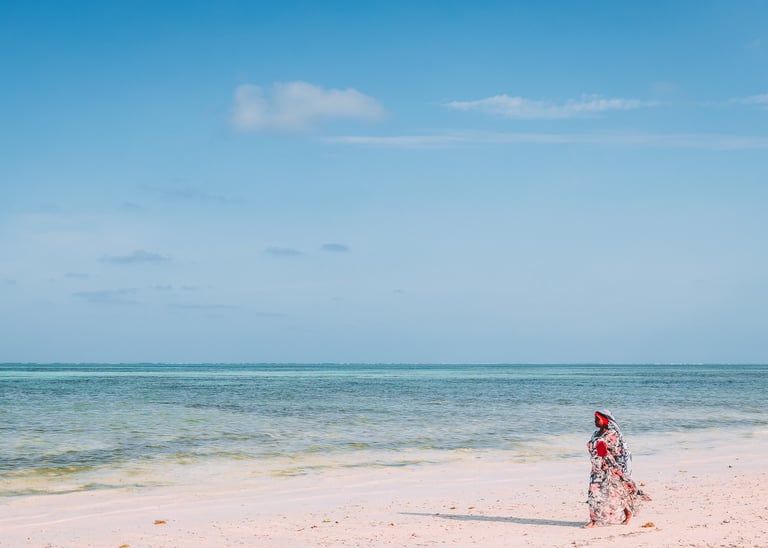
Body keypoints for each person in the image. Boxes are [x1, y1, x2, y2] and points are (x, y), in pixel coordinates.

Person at [584, 409, 650, 528]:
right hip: (596, 468)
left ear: (604, 421)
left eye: (597, 419)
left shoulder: (612, 434)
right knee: (593, 493)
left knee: (617, 492)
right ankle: (594, 520)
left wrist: (603, 448)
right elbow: (593, 448)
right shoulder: (595, 434)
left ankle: (627, 512)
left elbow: (616, 451)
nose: (594, 421)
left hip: (610, 468)